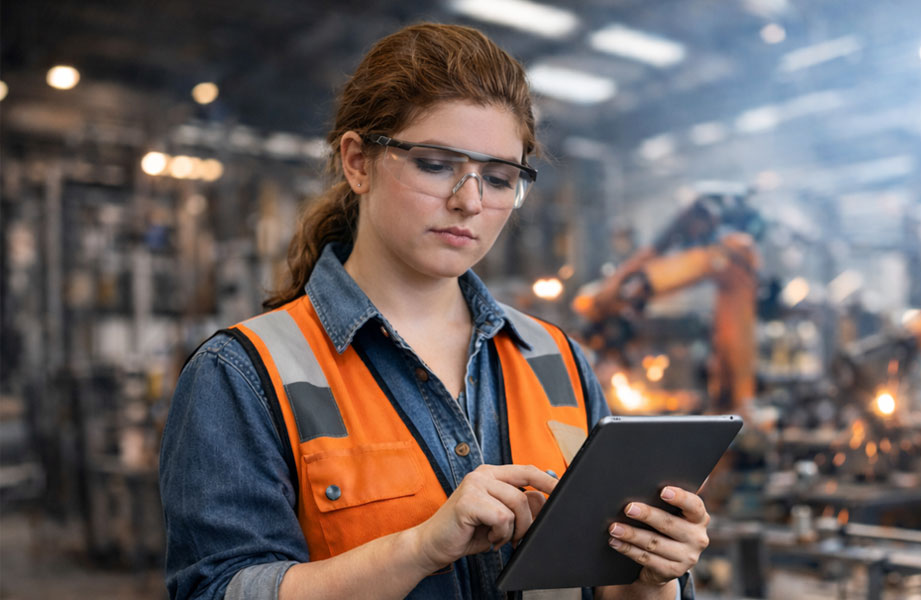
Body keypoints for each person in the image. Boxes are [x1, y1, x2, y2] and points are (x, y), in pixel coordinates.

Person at [159, 23, 711, 600]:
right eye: (435, 165)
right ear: (358, 163)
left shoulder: (558, 361)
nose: (469, 201)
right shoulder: (243, 375)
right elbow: (218, 590)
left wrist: (654, 577)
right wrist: (419, 548)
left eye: (499, 178)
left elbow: (604, 586)